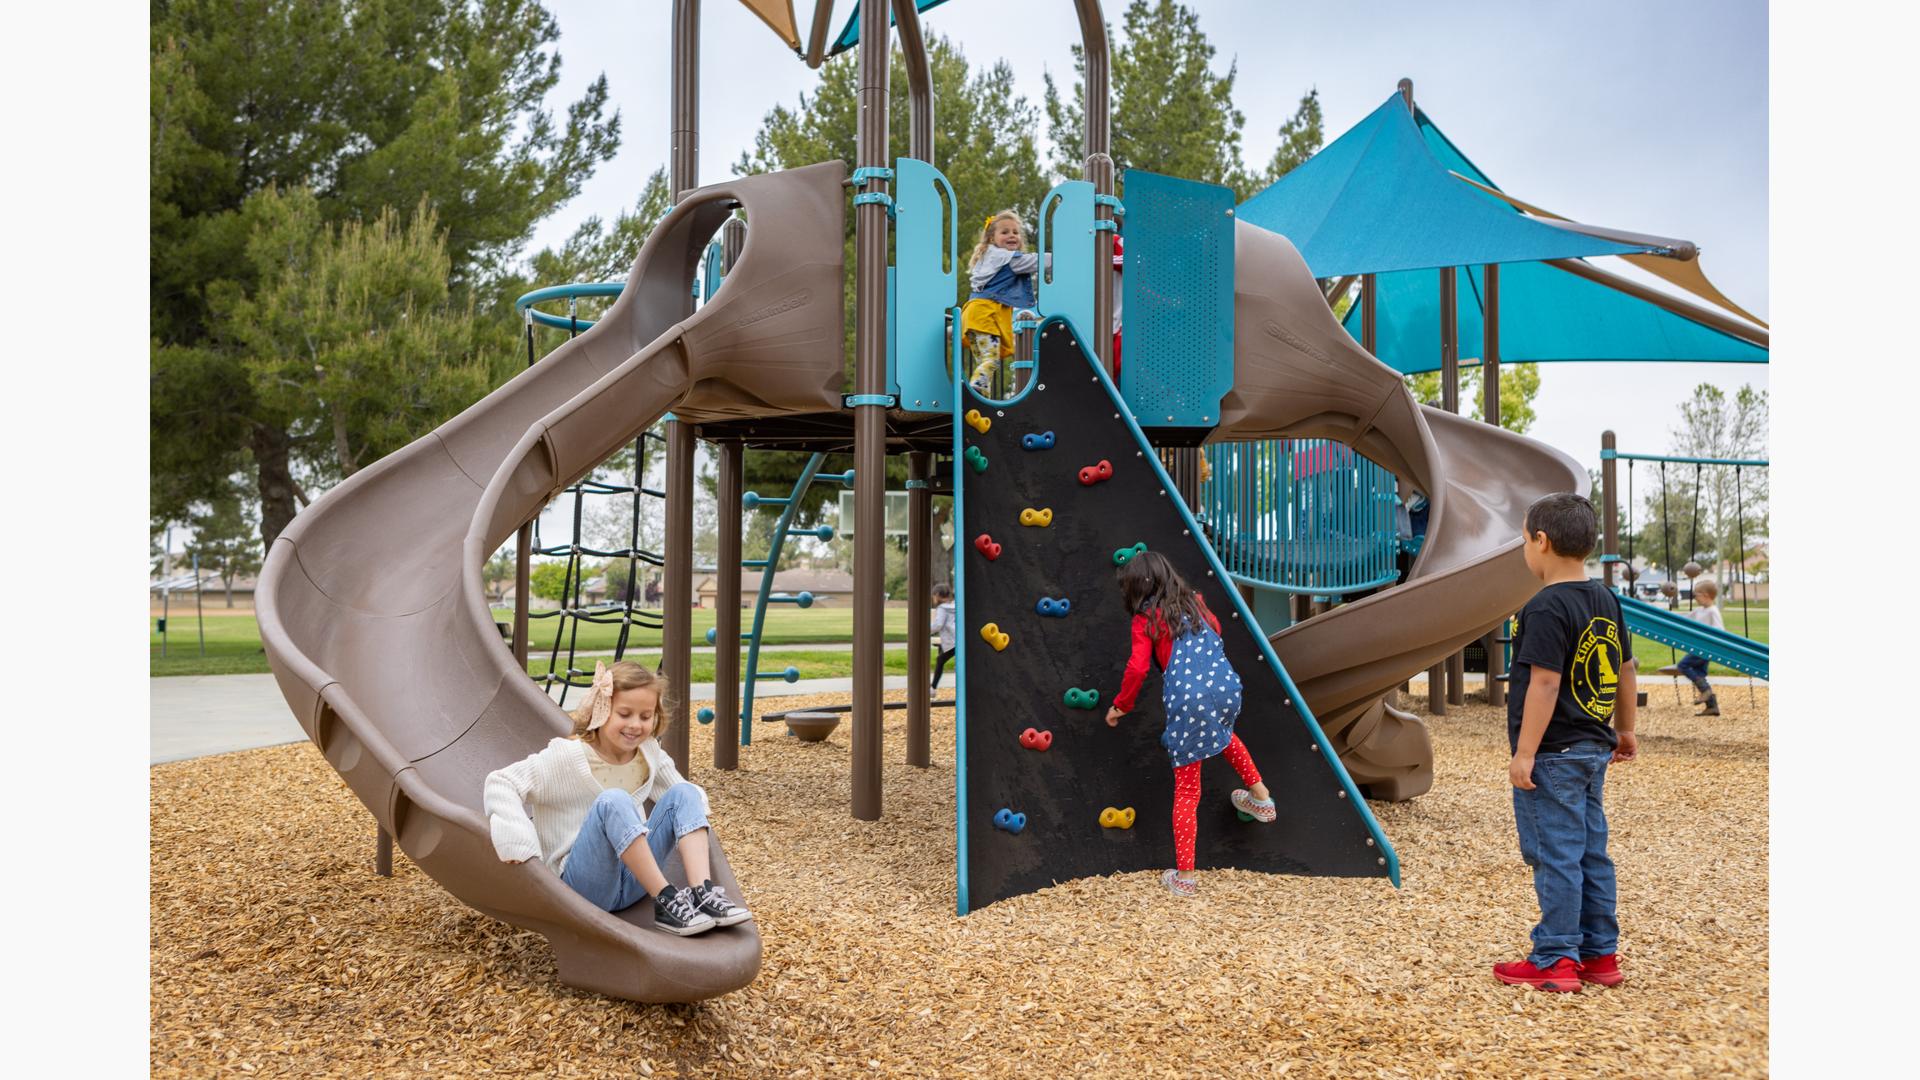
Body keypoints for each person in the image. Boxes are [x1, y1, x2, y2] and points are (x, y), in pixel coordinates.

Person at [483, 661, 753, 936]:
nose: (635, 725)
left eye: (645, 716)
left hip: (635, 883)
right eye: (625, 714)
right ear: (602, 711)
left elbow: (687, 801)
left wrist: (693, 814)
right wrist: (518, 839)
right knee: (614, 801)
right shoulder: (566, 757)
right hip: (582, 888)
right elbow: (501, 782)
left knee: (685, 792)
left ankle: (702, 892)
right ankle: (666, 899)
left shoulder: (649, 754)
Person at [1495, 493, 1638, 993]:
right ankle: (1600, 955)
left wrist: (1525, 752)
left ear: (1542, 541)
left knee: (1555, 853)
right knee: (1590, 853)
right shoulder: (1605, 599)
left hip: (1553, 754)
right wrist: (1625, 729)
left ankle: (1555, 957)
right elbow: (1624, 668)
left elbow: (1545, 683)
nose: (1525, 551)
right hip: (1593, 749)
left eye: (1523, 541)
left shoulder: (1545, 607)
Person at [1102, 550, 1275, 898]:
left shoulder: (1145, 619)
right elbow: (1217, 629)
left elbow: (1137, 668)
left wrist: (1121, 706)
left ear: (1134, 589)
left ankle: (1185, 876)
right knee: (1224, 736)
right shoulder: (1195, 602)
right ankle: (1262, 798)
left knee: (1187, 789)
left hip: (1189, 700)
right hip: (1226, 686)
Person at [960, 211, 1040, 394]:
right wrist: (1063, 259)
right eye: (1004, 232)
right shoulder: (1008, 259)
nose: (1011, 235)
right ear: (991, 238)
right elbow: (1037, 261)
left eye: (1015, 232)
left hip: (974, 316)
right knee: (990, 360)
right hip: (983, 316)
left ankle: (982, 397)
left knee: (986, 362)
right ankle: (976, 389)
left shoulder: (990, 258)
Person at [1677, 577, 1724, 715]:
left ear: (1706, 595)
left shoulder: (1712, 611)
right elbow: (1683, 618)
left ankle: (1706, 691)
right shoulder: (1699, 611)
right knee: (1699, 673)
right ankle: (1712, 707)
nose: (1695, 598)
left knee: (1683, 665)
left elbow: (1719, 630)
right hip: (1700, 647)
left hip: (1706, 648)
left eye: (1696, 595)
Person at [929, 582, 957, 690]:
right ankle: (933, 687)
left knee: (940, 660)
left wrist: (926, 630)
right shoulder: (954, 606)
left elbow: (938, 624)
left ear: (937, 595)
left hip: (952, 641)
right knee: (941, 657)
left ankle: (933, 688)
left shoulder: (942, 608)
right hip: (957, 639)